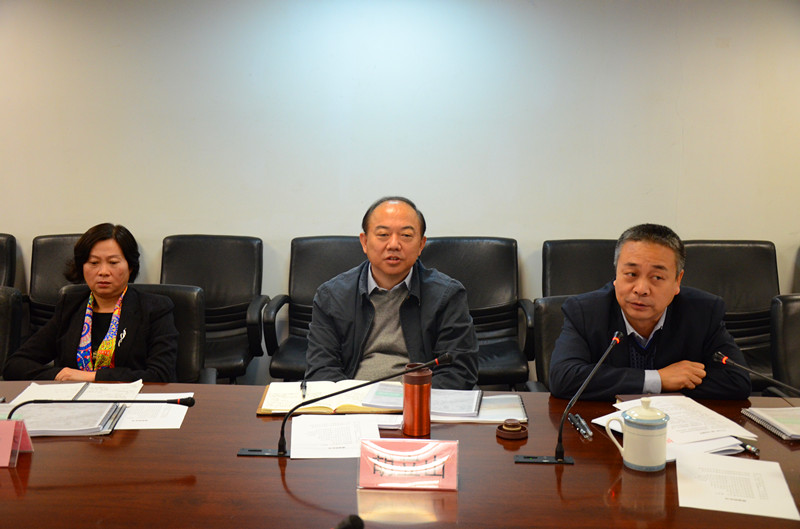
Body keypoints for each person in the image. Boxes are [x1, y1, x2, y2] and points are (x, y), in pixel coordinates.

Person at [548, 223, 751, 401]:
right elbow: (564, 378)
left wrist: (639, 385)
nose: (641, 289)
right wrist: (659, 380)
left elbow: (737, 380)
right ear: (616, 274)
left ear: (677, 281)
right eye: (631, 274)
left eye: (657, 277)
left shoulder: (703, 312)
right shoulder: (585, 311)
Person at [304, 196, 479, 390]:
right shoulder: (332, 296)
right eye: (383, 234)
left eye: (406, 235)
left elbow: (458, 371)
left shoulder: (447, 295)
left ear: (421, 245)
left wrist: (410, 400)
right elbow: (321, 370)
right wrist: (352, 401)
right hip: (353, 401)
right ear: (364, 242)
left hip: (420, 400)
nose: (394, 244)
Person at [4, 223, 178, 382]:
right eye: (94, 262)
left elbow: (161, 375)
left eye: (113, 262)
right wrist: (60, 375)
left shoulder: (155, 308)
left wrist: (89, 377)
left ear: (130, 266)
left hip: (132, 402)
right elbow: (15, 364)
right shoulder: (70, 306)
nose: (103, 272)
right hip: (73, 402)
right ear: (82, 266)